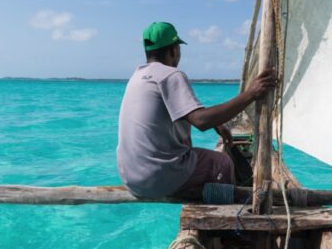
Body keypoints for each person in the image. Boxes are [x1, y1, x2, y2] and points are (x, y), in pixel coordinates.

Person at [117, 21, 276, 198]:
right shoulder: (171, 74)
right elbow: (201, 121)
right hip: (158, 178)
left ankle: (192, 190)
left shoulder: (137, 77)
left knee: (190, 154)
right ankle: (227, 213)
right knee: (222, 162)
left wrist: (218, 125)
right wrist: (251, 94)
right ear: (173, 50)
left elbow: (179, 110)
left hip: (132, 179)